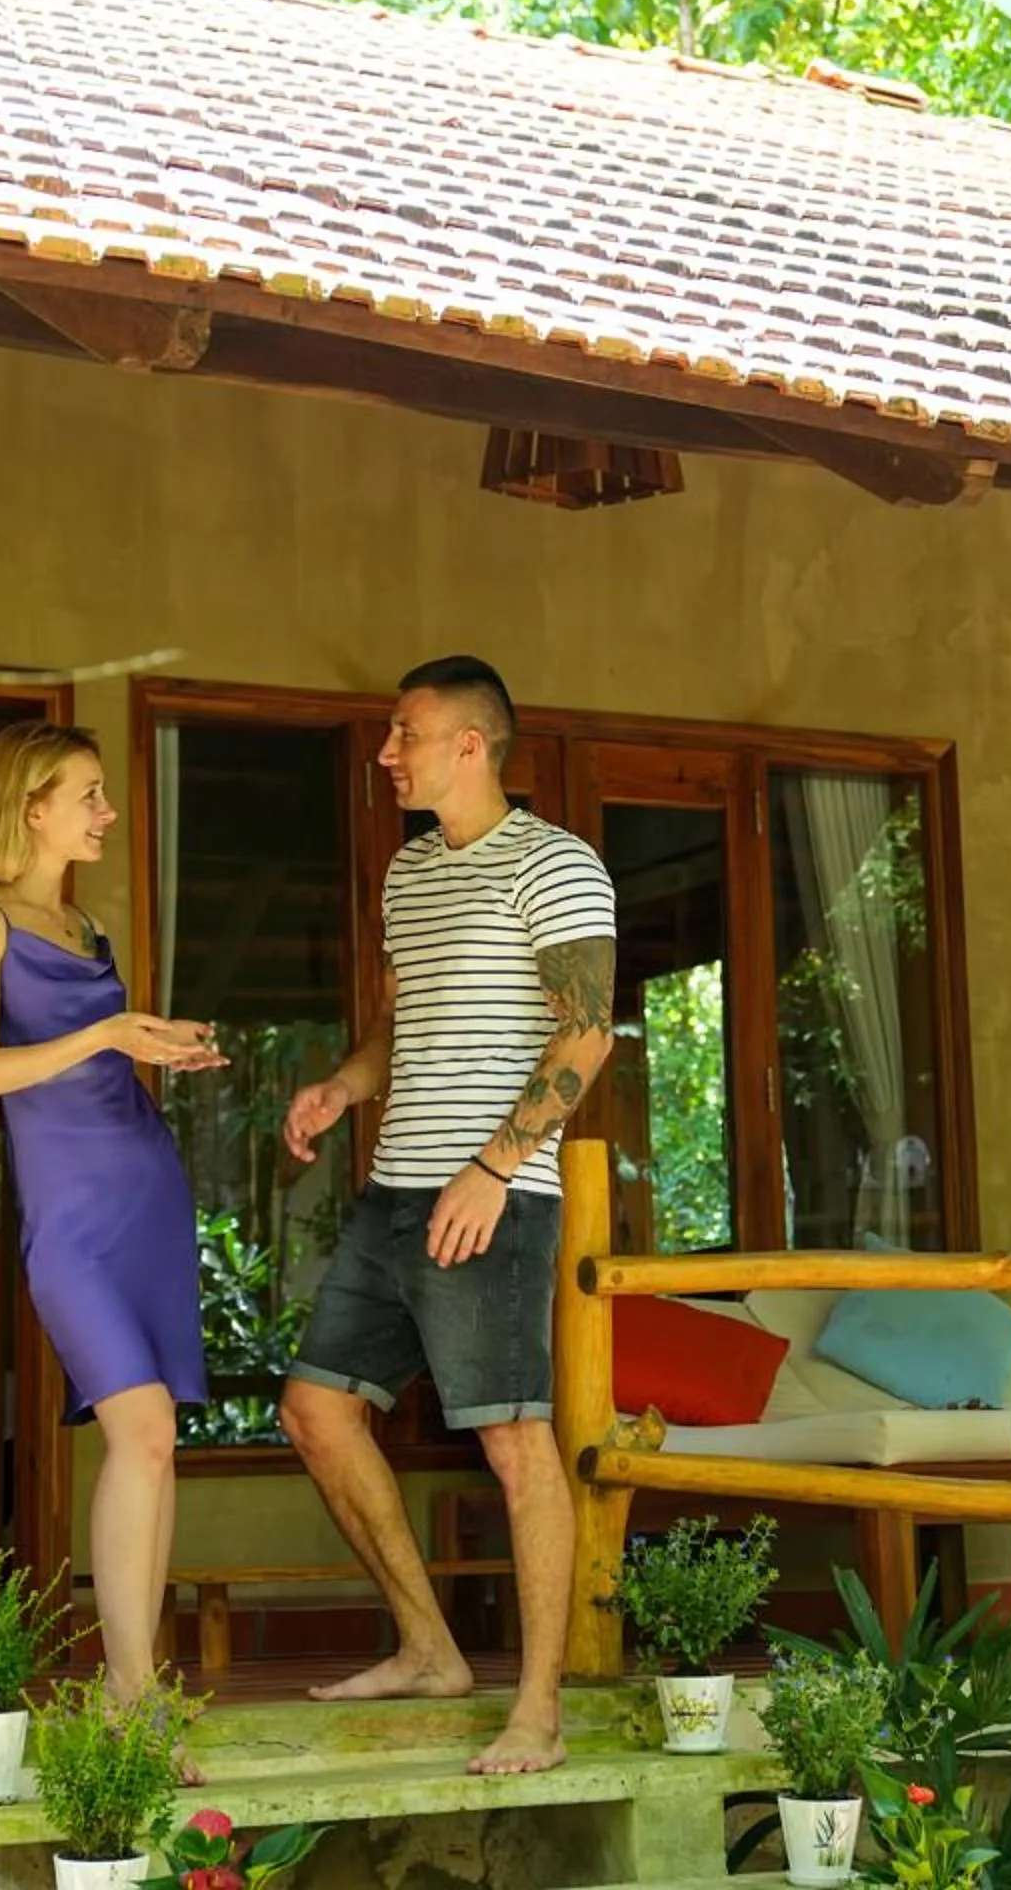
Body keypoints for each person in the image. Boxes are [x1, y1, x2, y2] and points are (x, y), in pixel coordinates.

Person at [277, 656, 617, 1778]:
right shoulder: (411, 873)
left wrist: (494, 1165)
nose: (388, 751)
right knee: (315, 1410)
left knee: (516, 1447)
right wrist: (342, 1086)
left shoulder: (558, 866)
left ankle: (540, 1709)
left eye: (404, 732)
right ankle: (430, 1647)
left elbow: (586, 1035)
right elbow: (403, 1027)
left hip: (496, 1198)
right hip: (395, 1194)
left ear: (471, 744)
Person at [0, 721, 222, 1761]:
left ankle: (130, 1689)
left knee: (157, 1443)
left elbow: (97, 1063)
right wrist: (108, 1030)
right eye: (91, 795)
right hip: (69, 1218)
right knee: (140, 1427)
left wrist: (158, 1042)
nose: (106, 813)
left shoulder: (83, 923)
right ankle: (131, 1691)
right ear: (31, 807)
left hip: (145, 1187)